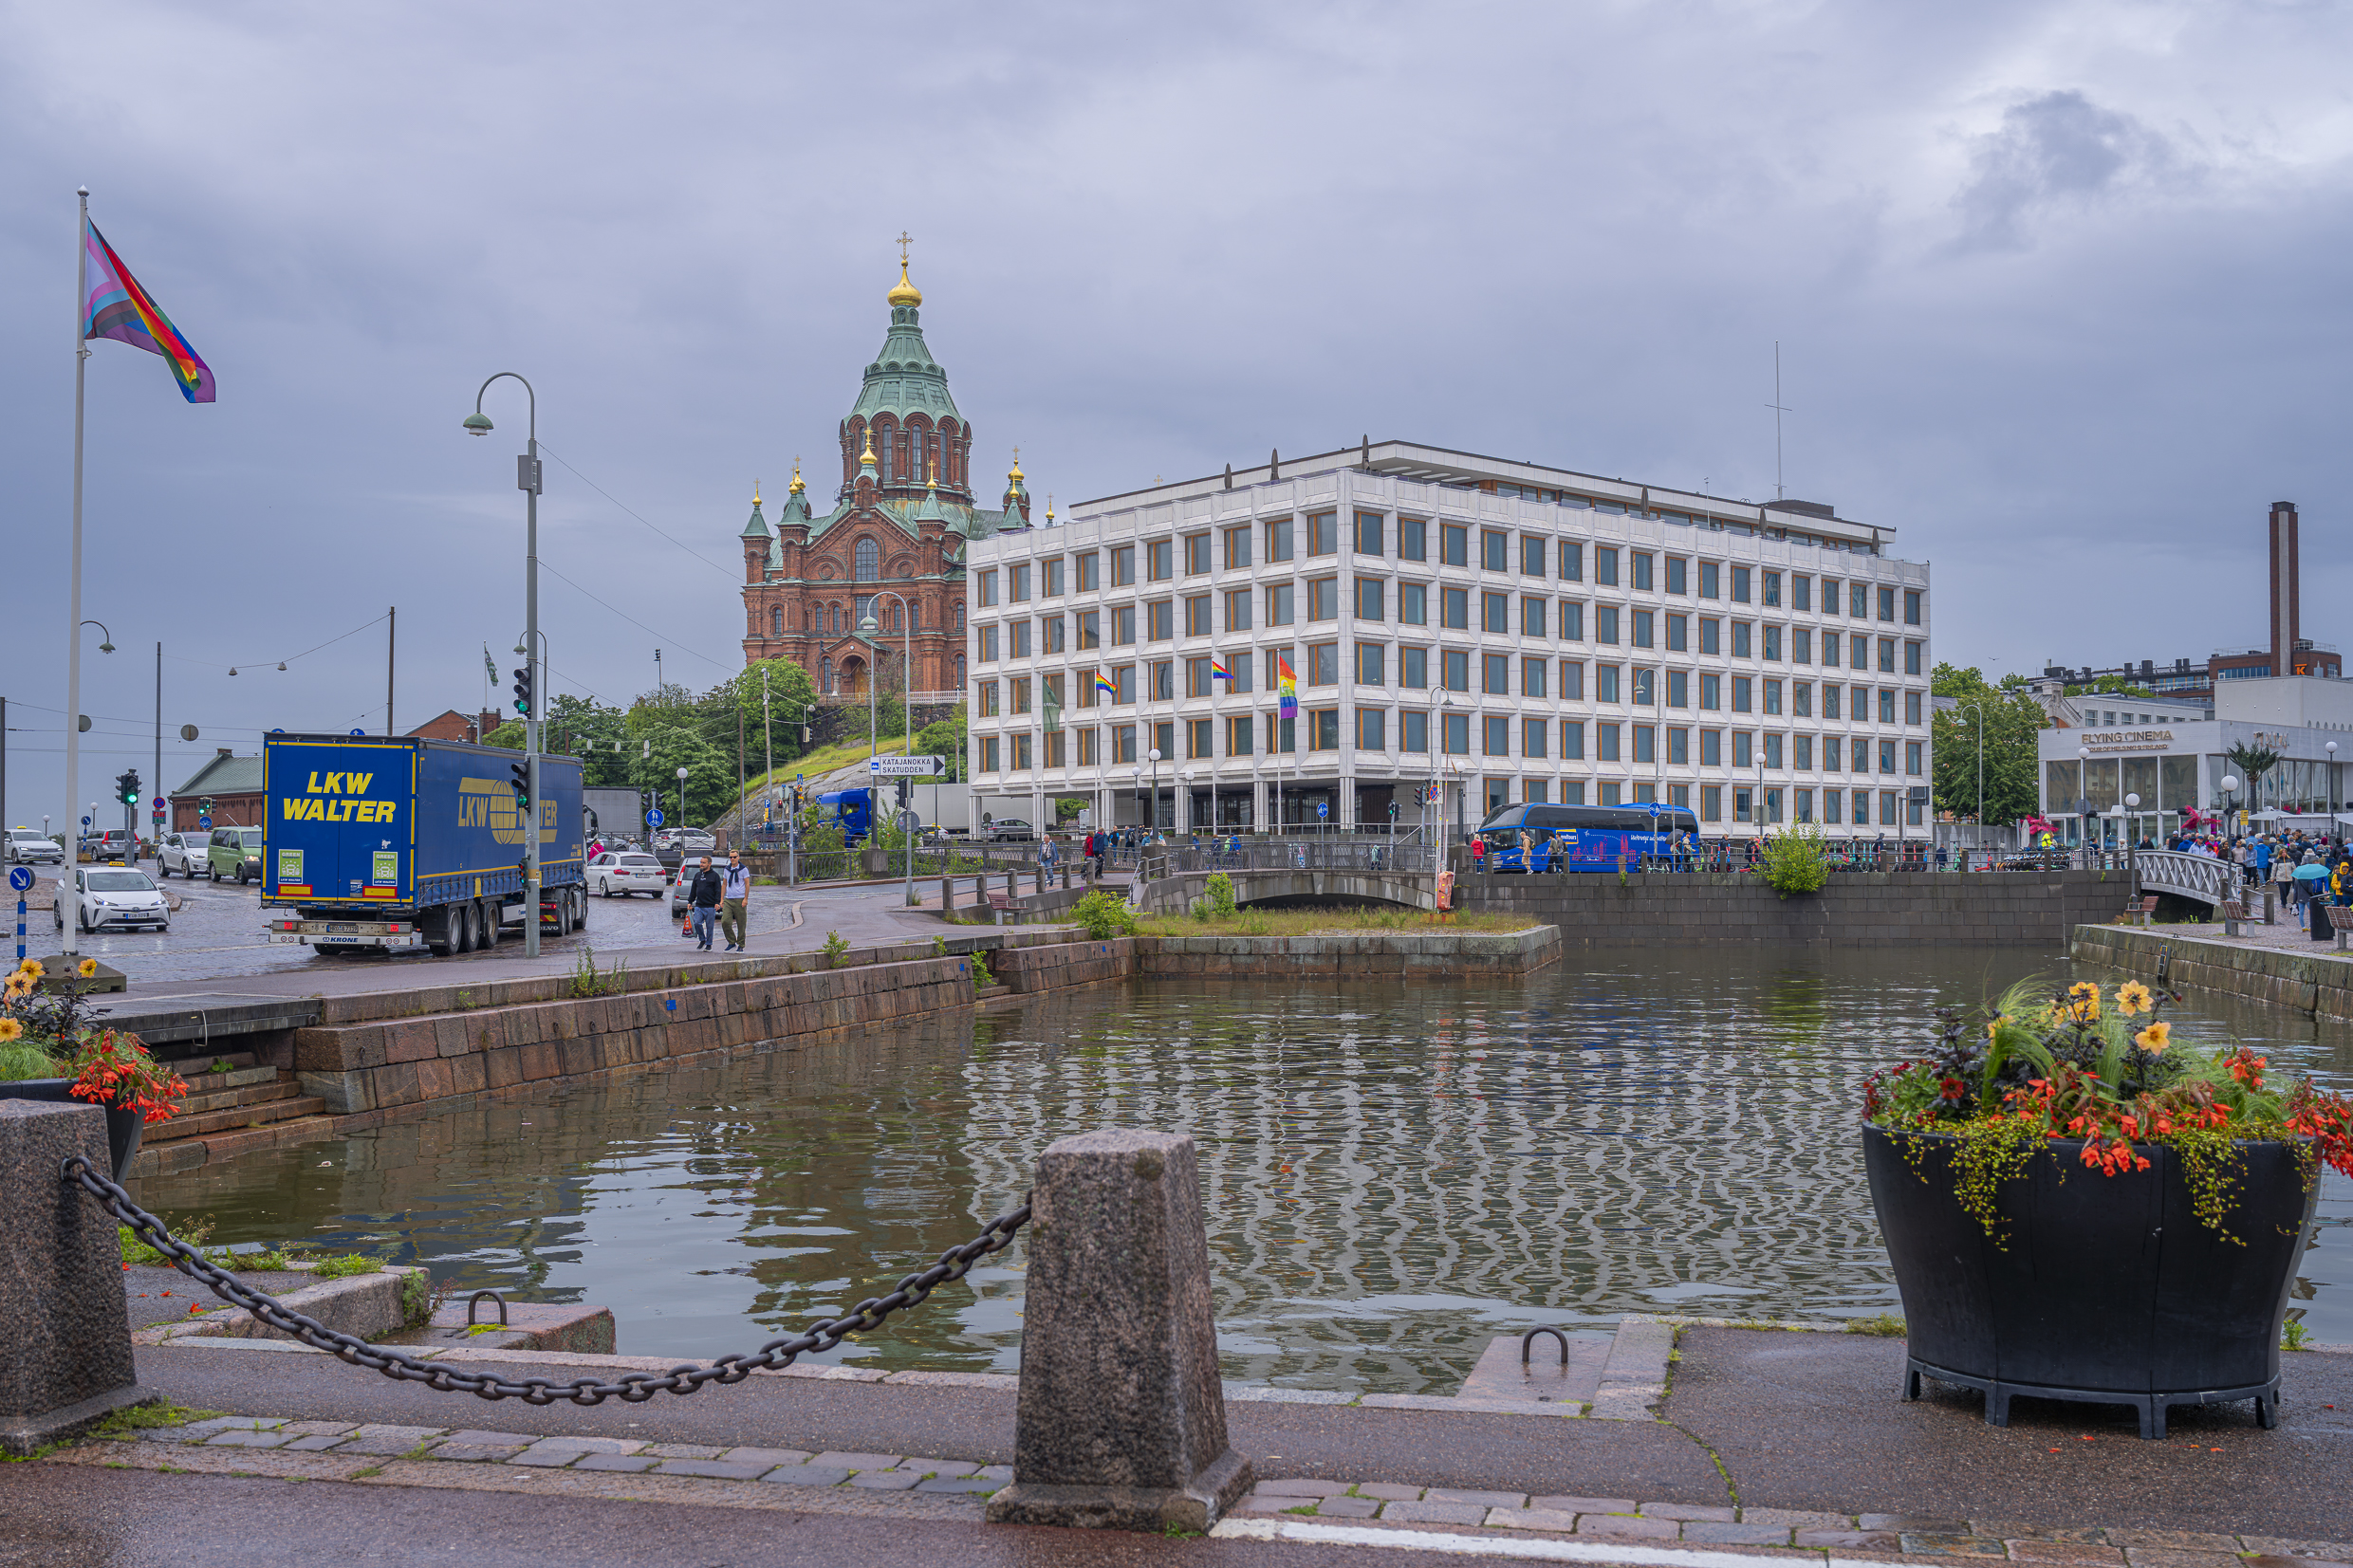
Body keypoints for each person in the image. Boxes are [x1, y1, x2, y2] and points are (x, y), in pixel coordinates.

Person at [686, 855, 723, 950]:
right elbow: (693, 889)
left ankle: (709, 944)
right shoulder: (697, 875)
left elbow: (718, 890)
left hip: (710, 906)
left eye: (704, 863)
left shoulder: (715, 875)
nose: (701, 864)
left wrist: (717, 902)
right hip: (699, 905)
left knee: (710, 927)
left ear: (709, 864)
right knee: (697, 923)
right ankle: (702, 939)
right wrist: (690, 901)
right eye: (701, 862)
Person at [718, 850, 751, 951]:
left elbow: (747, 884)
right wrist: (721, 899)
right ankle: (731, 941)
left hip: (740, 898)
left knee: (741, 923)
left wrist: (745, 898)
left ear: (738, 857)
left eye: (734, 857)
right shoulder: (727, 869)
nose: (732, 859)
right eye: (731, 857)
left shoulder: (743, 869)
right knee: (725, 921)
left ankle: (741, 944)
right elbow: (724, 884)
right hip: (729, 899)